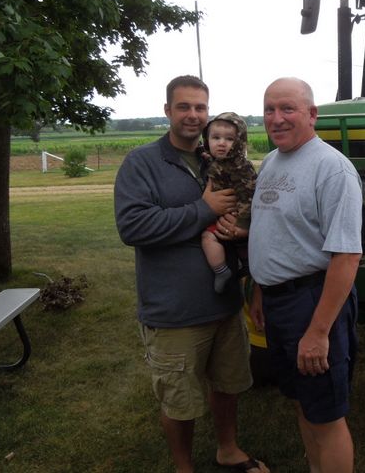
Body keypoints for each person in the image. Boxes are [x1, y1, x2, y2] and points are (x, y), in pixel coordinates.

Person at [114, 75, 268, 473]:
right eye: (183, 106)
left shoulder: (215, 158)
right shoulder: (143, 163)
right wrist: (204, 209)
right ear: (168, 110)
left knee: (228, 385)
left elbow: (249, 208)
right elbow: (132, 227)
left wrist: (241, 231)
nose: (193, 115)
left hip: (224, 304)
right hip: (175, 310)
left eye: (200, 107)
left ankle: (227, 449)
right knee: (179, 400)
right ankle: (184, 468)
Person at [248, 77, 362, 473]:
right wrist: (261, 290)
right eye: (269, 110)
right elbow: (272, 232)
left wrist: (318, 332)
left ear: (311, 114)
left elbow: (347, 256)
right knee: (302, 402)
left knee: (326, 416)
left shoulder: (332, 169)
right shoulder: (272, 162)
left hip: (312, 302)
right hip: (278, 302)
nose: (276, 118)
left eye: (287, 109)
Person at [199, 112, 257, 294]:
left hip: (237, 215)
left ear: (239, 142)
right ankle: (224, 269)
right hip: (219, 213)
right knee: (210, 239)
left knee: (210, 238)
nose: (221, 143)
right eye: (216, 138)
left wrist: (243, 222)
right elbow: (214, 164)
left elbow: (248, 194)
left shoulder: (241, 167)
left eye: (229, 139)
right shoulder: (215, 161)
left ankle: (226, 270)